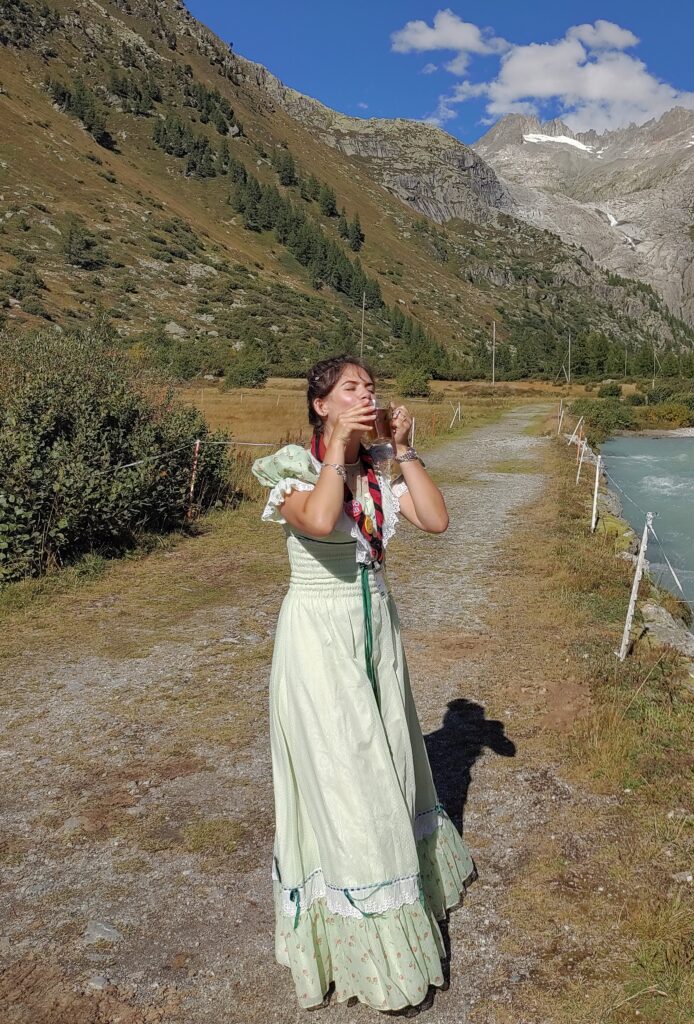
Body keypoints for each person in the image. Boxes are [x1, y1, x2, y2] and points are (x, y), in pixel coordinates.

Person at [251, 355, 474, 1014]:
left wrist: (403, 451)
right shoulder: (290, 466)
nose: (366, 394)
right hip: (319, 637)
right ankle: (370, 947)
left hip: (377, 630)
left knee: (391, 767)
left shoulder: (380, 470)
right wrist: (339, 451)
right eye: (351, 387)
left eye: (370, 387)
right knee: (346, 780)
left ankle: (404, 896)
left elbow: (437, 520)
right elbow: (320, 521)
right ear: (320, 403)